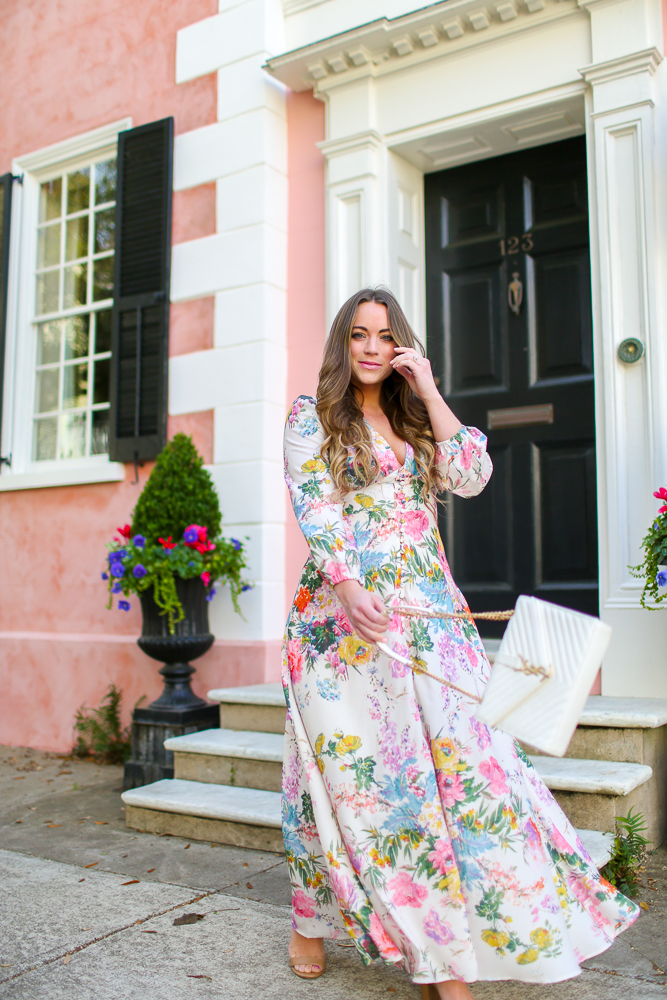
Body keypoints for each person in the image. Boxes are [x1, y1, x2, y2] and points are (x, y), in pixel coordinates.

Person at [281, 287, 638, 998]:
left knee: (466, 771)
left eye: (385, 336)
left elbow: (473, 476)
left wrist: (431, 389)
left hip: (431, 614)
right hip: (340, 622)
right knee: (349, 781)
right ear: (341, 343)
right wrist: (349, 587)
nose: (372, 348)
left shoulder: (416, 417)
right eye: (359, 335)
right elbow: (313, 506)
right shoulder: (310, 415)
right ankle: (310, 918)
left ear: (403, 344)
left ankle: (443, 953)